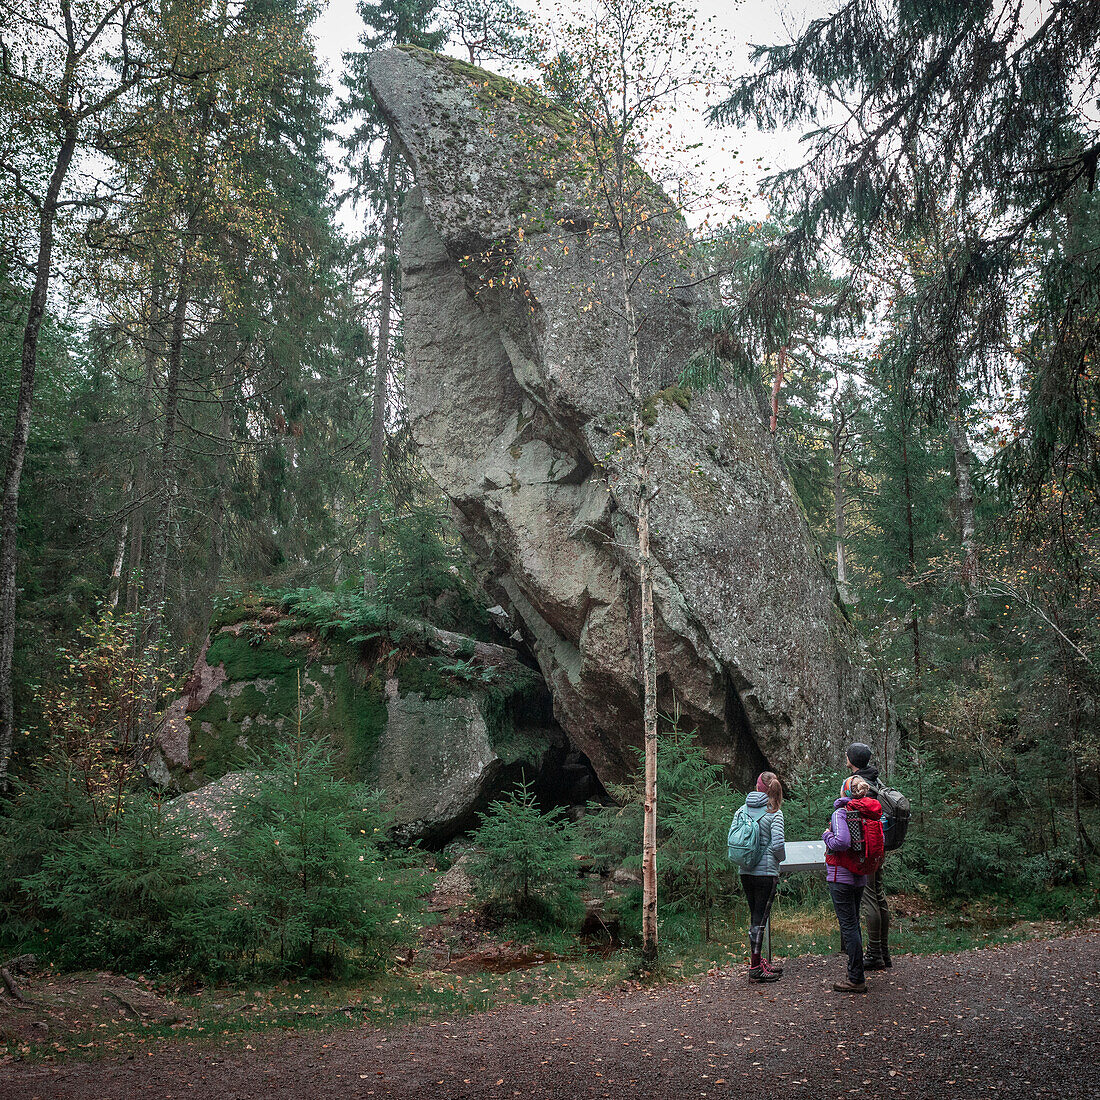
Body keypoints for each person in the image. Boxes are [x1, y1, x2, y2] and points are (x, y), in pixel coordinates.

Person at [823, 775, 883, 993]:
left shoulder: (841, 813)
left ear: (846, 792)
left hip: (841, 876)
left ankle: (856, 977)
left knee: (849, 926)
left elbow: (841, 842)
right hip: (860, 875)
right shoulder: (870, 812)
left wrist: (826, 835)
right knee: (854, 923)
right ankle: (854, 972)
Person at [845, 741, 892, 969]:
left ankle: (874, 955)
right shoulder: (874, 780)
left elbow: (844, 811)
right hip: (878, 843)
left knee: (870, 897)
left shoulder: (852, 783)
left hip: (864, 847)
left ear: (851, 760)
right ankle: (883, 952)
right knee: (879, 896)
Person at [738, 771, 786, 983]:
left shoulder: (743, 809)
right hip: (766, 873)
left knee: (754, 917)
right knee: (759, 920)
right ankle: (755, 967)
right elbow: (777, 845)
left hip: (746, 870)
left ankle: (758, 962)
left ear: (758, 788)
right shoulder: (774, 812)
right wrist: (780, 860)